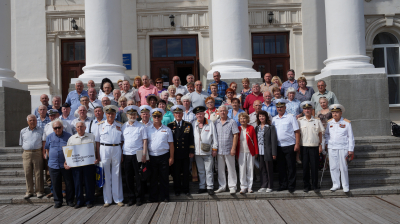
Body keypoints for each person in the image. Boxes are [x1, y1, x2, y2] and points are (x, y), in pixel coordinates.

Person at [94, 105, 124, 207]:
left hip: (116, 148)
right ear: (105, 114)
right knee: (105, 174)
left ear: (115, 114)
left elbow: (123, 140)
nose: (110, 115)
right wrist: (97, 155)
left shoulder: (120, 125)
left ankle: (118, 198)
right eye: (108, 113)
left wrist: (122, 153)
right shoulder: (99, 125)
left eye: (112, 113)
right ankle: (107, 200)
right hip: (104, 149)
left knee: (117, 173)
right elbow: (97, 142)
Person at [64, 121, 97, 209]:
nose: (80, 128)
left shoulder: (91, 136)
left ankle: (89, 201)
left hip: (89, 164)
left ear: (85, 128)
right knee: (77, 183)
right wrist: (66, 162)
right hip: (76, 165)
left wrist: (97, 158)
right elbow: (68, 152)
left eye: (81, 126)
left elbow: (96, 149)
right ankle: (79, 201)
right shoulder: (72, 138)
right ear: (75, 128)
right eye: (78, 127)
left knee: (89, 182)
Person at [272, 99, 300, 193]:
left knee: (291, 166)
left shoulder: (291, 117)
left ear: (285, 107)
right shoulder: (274, 119)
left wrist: (297, 144)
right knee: (281, 167)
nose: (279, 108)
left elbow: (297, 131)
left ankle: (291, 185)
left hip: (290, 145)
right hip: (279, 146)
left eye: (281, 106)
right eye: (278, 107)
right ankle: (283, 185)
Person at [121, 105, 147, 206]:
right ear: (127, 115)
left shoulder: (141, 126)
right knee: (128, 177)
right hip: (127, 154)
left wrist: (144, 154)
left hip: (138, 153)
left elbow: (145, 141)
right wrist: (122, 155)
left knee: (139, 177)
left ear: (136, 115)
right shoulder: (123, 126)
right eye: (130, 114)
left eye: (134, 114)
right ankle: (131, 197)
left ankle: (140, 198)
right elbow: (122, 141)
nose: (132, 115)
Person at [44, 119, 74, 208]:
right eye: (55, 128)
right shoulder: (49, 136)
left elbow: (71, 148)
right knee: (56, 183)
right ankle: (58, 201)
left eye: (59, 127)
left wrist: (67, 159)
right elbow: (47, 148)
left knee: (69, 183)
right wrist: (50, 158)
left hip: (66, 164)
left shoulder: (69, 136)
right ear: (53, 129)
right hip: (53, 164)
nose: (57, 129)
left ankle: (70, 200)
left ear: (62, 127)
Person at [325, 104, 354, 193]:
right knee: (333, 167)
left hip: (343, 147)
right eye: (333, 113)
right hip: (332, 147)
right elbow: (326, 134)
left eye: (337, 112)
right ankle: (336, 184)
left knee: (343, 167)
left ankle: (345, 185)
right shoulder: (329, 123)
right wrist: (327, 143)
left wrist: (350, 149)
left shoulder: (346, 123)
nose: (335, 114)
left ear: (341, 113)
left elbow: (350, 137)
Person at [147, 108, 174, 202]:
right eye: (155, 116)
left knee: (164, 178)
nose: (157, 118)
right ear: (152, 117)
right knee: (153, 178)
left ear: (162, 117)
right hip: (151, 157)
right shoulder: (147, 129)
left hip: (164, 156)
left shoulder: (167, 129)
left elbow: (171, 144)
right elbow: (144, 143)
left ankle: (165, 196)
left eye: (158, 116)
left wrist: (171, 157)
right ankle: (153, 197)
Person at [168, 105, 194, 196]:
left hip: (185, 153)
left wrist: (191, 151)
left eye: (179, 113)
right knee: (176, 173)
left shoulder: (188, 125)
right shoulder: (170, 126)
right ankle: (177, 189)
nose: (178, 115)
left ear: (182, 114)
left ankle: (186, 189)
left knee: (186, 172)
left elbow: (191, 138)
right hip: (175, 153)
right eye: (176, 113)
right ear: (174, 115)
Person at [298, 101, 324, 193]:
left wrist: (320, 145)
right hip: (304, 147)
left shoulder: (317, 120)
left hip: (314, 146)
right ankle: (306, 186)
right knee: (305, 167)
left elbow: (320, 133)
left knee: (314, 167)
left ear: (312, 110)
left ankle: (315, 185)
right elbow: (297, 134)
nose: (307, 110)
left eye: (308, 108)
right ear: (303, 110)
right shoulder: (300, 121)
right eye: (305, 109)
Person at [192, 106, 218, 195]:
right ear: (196, 115)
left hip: (208, 151)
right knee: (201, 171)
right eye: (197, 114)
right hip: (197, 152)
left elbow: (214, 137)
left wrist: (215, 148)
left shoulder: (210, 123)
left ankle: (210, 187)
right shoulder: (193, 124)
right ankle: (202, 186)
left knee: (209, 170)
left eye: (201, 113)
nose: (199, 115)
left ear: (204, 114)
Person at [214, 105, 239, 195]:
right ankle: (222, 186)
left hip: (229, 149)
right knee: (220, 169)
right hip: (219, 150)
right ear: (219, 112)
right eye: (221, 111)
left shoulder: (232, 122)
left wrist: (233, 148)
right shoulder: (216, 123)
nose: (223, 112)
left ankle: (232, 186)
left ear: (227, 112)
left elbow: (235, 135)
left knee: (231, 168)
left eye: (224, 111)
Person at [20, 115, 45, 199]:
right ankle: (29, 191)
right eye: (30, 120)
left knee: (38, 173)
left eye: (34, 120)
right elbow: (21, 143)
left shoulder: (41, 130)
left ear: (36, 121)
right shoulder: (23, 131)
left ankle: (39, 191)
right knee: (27, 173)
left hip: (37, 153)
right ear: (27, 121)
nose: (32, 122)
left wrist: (43, 153)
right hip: (26, 153)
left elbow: (43, 143)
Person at [236, 113, 258, 194]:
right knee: (242, 170)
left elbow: (255, 140)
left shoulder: (251, 128)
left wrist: (256, 152)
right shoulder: (238, 128)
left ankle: (249, 187)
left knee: (250, 169)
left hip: (250, 151)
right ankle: (243, 187)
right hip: (241, 152)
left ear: (247, 120)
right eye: (241, 119)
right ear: (239, 120)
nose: (243, 120)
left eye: (244, 118)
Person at [255, 110, 277, 193]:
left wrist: (274, 153)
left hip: (268, 151)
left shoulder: (271, 127)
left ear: (266, 117)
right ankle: (263, 185)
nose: (261, 118)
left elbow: (273, 141)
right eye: (260, 116)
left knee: (269, 169)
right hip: (260, 151)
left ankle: (270, 186)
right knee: (262, 169)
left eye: (263, 116)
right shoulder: (257, 127)